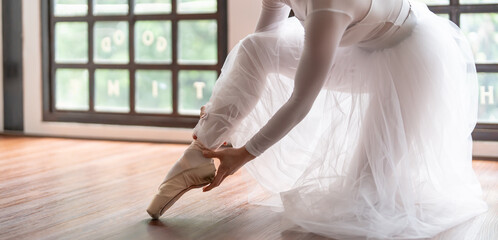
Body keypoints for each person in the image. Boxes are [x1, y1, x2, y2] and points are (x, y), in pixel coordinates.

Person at [147, 0, 488, 238]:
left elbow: (300, 101)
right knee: (253, 49)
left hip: (409, 60)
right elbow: (260, 48)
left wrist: (244, 154)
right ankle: (196, 157)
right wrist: (224, 108)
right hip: (355, 47)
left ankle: (213, 154)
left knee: (363, 199)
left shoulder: (329, 5)